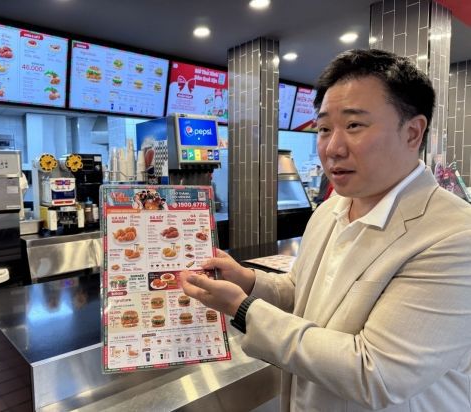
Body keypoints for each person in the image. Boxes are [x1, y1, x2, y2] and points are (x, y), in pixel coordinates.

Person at [180, 49, 471, 411]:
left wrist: (243, 309)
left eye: (354, 126)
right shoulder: (330, 210)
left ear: (413, 132)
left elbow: (377, 373)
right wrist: (248, 281)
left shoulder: (454, 236)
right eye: (323, 129)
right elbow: (301, 292)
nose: (332, 148)